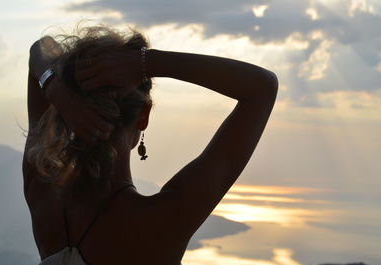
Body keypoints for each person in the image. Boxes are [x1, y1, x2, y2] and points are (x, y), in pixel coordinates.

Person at [23, 25, 278, 265]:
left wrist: (52, 83)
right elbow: (262, 87)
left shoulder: (42, 192)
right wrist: (146, 63)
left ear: (63, 108)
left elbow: (40, 48)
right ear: (143, 115)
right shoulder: (163, 221)